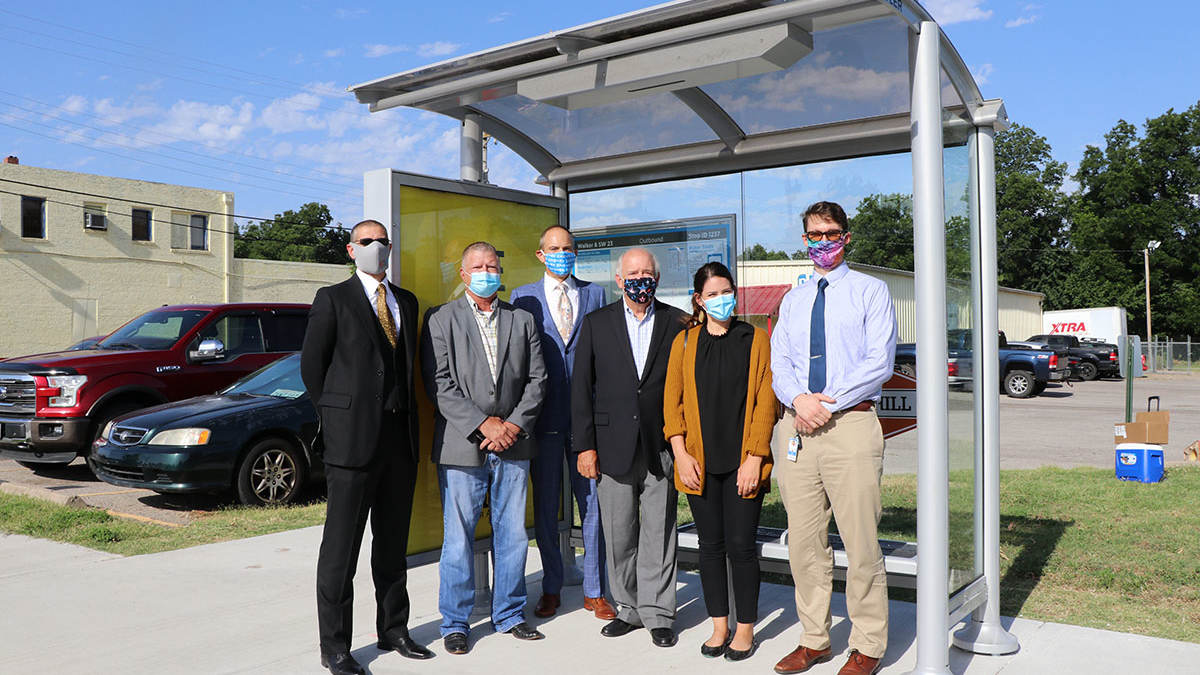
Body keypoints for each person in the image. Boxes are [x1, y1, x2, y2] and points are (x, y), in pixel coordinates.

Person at [300, 219, 434, 675]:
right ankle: (335, 646)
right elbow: (313, 367)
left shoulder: (406, 301)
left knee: (392, 546)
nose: (375, 246)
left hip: (400, 440)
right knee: (341, 551)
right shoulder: (332, 299)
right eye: (366, 241)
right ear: (351, 249)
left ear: (390, 248)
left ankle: (394, 629)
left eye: (381, 241)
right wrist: (338, 420)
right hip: (351, 444)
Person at [769, 202, 898, 675]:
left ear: (846, 236)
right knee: (804, 544)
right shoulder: (794, 300)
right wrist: (799, 401)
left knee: (860, 543)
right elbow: (780, 362)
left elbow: (878, 362)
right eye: (814, 234)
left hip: (850, 426)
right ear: (804, 239)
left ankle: (868, 644)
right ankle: (814, 639)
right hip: (797, 429)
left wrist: (824, 403)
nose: (823, 241)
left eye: (831, 233)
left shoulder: (871, 290)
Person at [420, 241, 549, 656]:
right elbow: (439, 383)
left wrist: (511, 425)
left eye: (492, 266)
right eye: (477, 267)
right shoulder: (440, 319)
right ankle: (455, 622)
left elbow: (538, 380)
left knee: (512, 535)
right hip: (462, 446)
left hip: (514, 442)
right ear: (463, 274)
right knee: (458, 538)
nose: (486, 273)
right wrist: (483, 424)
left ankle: (509, 614)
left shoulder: (522, 319)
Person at [662, 262, 777, 662]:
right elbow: (672, 404)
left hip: (743, 462)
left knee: (741, 546)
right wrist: (681, 454)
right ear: (699, 299)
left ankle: (745, 629)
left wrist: (755, 457)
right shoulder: (684, 342)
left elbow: (766, 402)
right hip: (699, 463)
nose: (721, 299)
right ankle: (719, 626)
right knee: (710, 547)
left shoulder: (755, 339)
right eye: (712, 294)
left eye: (726, 291)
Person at [571, 247, 685, 648]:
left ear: (658, 278)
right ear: (619, 280)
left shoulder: (677, 322)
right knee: (619, 534)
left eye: (647, 273)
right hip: (611, 446)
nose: (640, 280)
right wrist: (585, 446)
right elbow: (581, 389)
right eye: (632, 274)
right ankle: (629, 608)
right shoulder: (596, 323)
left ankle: (659, 613)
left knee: (659, 532)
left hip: (661, 445)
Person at [510, 225, 614, 621]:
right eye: (554, 248)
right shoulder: (523, 297)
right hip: (542, 420)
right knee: (546, 507)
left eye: (568, 247)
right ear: (541, 254)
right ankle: (551, 586)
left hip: (587, 422)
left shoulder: (595, 294)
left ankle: (595, 590)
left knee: (593, 506)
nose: (562, 253)